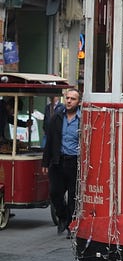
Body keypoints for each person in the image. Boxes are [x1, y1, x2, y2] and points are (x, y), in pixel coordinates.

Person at [41, 88, 81, 236]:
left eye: (73, 99)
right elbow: (50, 141)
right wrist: (45, 163)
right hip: (58, 162)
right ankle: (62, 217)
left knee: (73, 196)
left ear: (79, 102)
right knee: (54, 193)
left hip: (74, 162)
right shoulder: (57, 117)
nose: (69, 101)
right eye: (68, 98)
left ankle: (71, 225)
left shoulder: (82, 119)